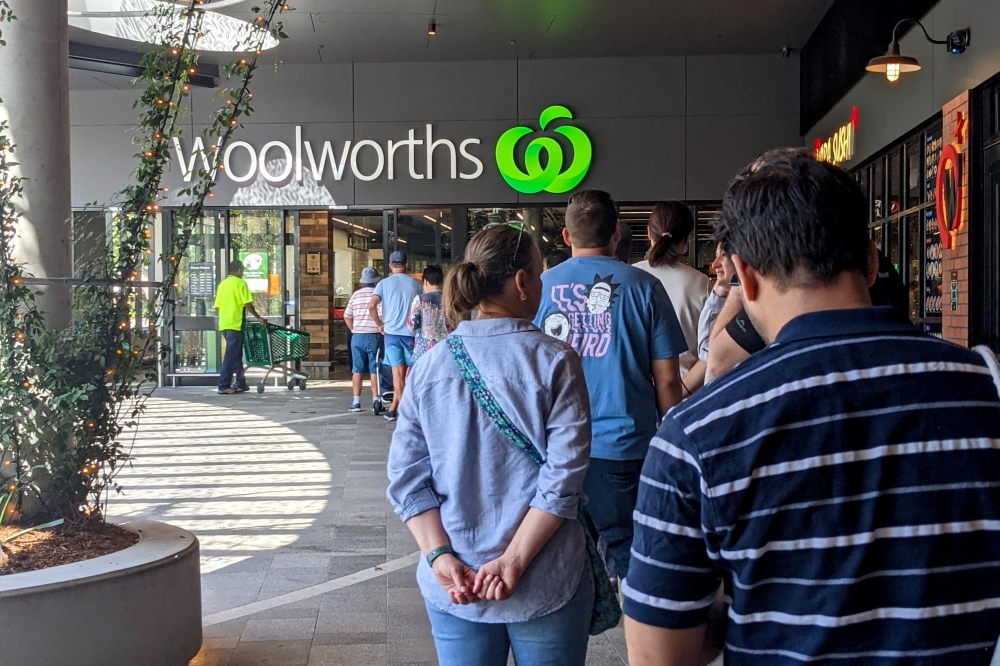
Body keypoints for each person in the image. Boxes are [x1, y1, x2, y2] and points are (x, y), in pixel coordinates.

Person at [624, 150, 1000, 666]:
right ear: (871, 261)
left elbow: (658, 655)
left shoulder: (695, 434)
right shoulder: (985, 388)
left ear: (744, 278)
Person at [387, 225, 594, 666]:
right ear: (522, 282)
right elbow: (563, 479)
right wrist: (513, 561)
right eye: (538, 274)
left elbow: (406, 480)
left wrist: (440, 556)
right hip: (546, 576)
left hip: (454, 583)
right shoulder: (555, 359)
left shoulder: (429, 366)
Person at [534, 189, 687, 582]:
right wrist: (672, 442)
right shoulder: (645, 287)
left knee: (562, 562)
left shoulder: (538, 288)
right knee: (633, 558)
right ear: (617, 233)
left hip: (552, 448)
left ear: (566, 236)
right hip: (623, 447)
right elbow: (668, 379)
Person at [707, 152, 910, 381]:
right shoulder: (950, 374)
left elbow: (718, 363)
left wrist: (739, 279)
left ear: (748, 277)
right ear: (872, 261)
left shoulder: (777, 291)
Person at [634, 202, 711, 392]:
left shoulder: (628, 277)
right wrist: (679, 393)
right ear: (688, 239)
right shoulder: (702, 284)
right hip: (687, 394)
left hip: (636, 394)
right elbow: (711, 350)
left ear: (649, 233)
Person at [369, 251, 422, 421]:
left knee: (397, 374)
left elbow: (371, 306)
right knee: (410, 373)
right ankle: (399, 409)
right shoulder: (417, 284)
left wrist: (379, 324)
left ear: (390, 265)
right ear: (407, 264)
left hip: (391, 334)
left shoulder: (383, 284)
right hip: (412, 334)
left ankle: (396, 410)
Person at [214, 259, 266, 395]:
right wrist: (259, 317)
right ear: (239, 270)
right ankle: (223, 385)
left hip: (224, 324)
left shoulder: (222, 285)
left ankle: (240, 383)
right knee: (230, 356)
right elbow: (248, 304)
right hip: (235, 324)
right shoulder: (240, 283)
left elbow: (218, 306)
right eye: (242, 269)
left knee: (236, 355)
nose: (243, 272)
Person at [343, 266, 382, 413]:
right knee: (374, 369)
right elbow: (382, 315)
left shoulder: (356, 295)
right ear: (376, 281)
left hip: (357, 337)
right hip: (374, 335)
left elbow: (347, 316)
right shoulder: (378, 295)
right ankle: (376, 400)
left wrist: (353, 329)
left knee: (357, 370)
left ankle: (356, 402)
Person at [696, 244, 734, 386]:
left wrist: (717, 296)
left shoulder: (747, 307)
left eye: (723, 255)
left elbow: (707, 351)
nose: (715, 264)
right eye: (716, 256)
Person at [407, 263, 448, 365]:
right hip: (445, 349)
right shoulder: (450, 299)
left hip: (424, 350)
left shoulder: (420, 299)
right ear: (442, 281)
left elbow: (412, 325)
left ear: (425, 281)